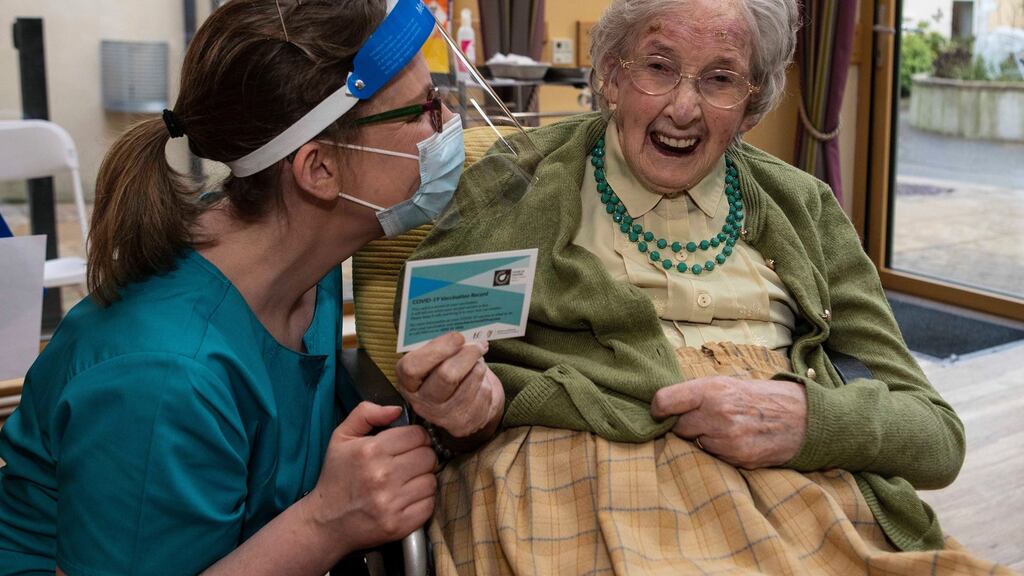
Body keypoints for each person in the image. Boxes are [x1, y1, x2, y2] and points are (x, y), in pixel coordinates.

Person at [404, 0, 1014, 573]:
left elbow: (935, 436)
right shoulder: (519, 180)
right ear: (613, 76)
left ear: (752, 106)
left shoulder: (802, 207)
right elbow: (431, 370)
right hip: (580, 485)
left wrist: (807, 419)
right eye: (659, 67)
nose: (683, 108)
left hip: (797, 496)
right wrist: (464, 413)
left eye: (720, 79)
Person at [0, 1, 504, 574]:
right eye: (422, 112)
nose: (447, 129)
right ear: (318, 170)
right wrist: (329, 521)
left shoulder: (300, 265)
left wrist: (444, 413)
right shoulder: (164, 376)